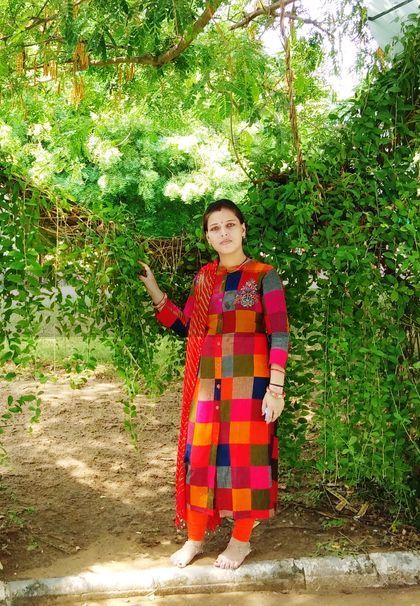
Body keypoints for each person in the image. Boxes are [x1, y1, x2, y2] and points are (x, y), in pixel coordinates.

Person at [136, 198, 289, 570]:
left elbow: (280, 333)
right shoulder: (204, 279)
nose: (223, 233)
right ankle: (195, 538)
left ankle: (240, 541)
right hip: (207, 387)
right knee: (200, 459)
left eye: (229, 225)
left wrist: (276, 389)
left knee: (245, 462)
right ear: (208, 236)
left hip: (249, 386)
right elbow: (186, 325)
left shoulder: (263, 275)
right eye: (215, 228)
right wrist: (153, 288)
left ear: (243, 229)